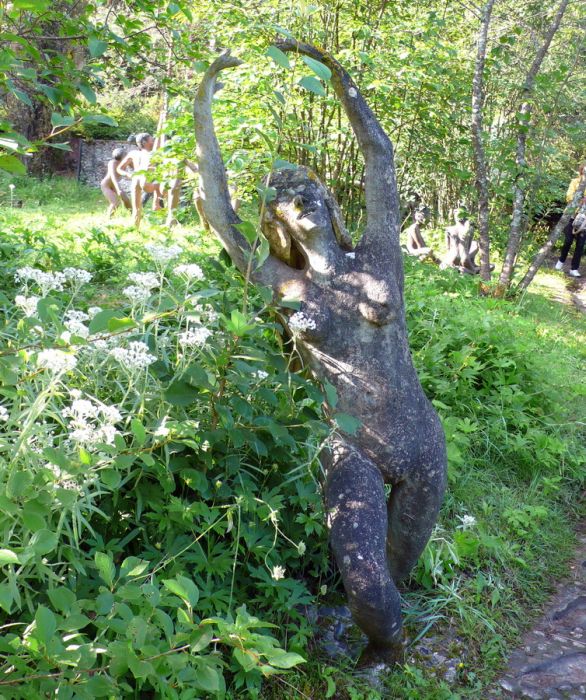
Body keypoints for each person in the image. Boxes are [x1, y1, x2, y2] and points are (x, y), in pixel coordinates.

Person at [116, 132, 163, 228]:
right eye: (151, 140)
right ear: (144, 142)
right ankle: (156, 203)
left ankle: (135, 230)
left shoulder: (133, 153)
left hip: (135, 179)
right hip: (144, 179)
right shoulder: (153, 153)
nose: (153, 141)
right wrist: (163, 117)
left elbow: (119, 169)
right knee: (162, 181)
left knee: (136, 210)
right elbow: (160, 134)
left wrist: (128, 174)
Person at [555, 164, 585, 278]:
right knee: (568, 240)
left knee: (580, 244)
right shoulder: (575, 182)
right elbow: (568, 196)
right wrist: (581, 200)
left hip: (584, 219)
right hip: (571, 215)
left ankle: (574, 269)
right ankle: (561, 261)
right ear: (581, 171)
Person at [100, 148, 131, 217]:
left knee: (126, 199)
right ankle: (108, 219)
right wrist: (119, 189)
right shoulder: (112, 163)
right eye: (125, 155)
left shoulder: (123, 164)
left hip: (114, 184)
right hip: (106, 185)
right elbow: (113, 177)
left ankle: (134, 215)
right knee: (115, 202)